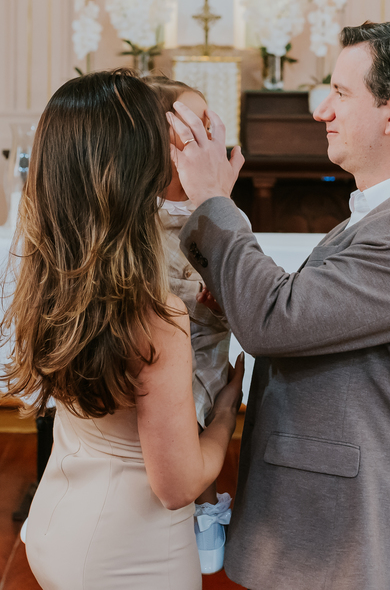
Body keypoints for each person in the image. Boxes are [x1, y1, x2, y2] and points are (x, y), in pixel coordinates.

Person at [168, 20, 390, 589]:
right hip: (313, 510)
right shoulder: (386, 214)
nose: (322, 111)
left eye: (340, 93)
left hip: (338, 531)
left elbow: (275, 320)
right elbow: (303, 322)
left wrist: (213, 199)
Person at [0, 69, 244, 590]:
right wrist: (226, 413)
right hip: (131, 553)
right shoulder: (155, 318)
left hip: (57, 519)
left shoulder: (57, 278)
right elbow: (178, 485)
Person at [144, 75, 236, 574]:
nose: (204, 139)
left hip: (206, 343)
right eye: (190, 129)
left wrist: (220, 301)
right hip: (158, 350)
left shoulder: (214, 205)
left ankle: (206, 505)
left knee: (203, 409)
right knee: (175, 415)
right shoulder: (141, 214)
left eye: (208, 127)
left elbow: (237, 275)